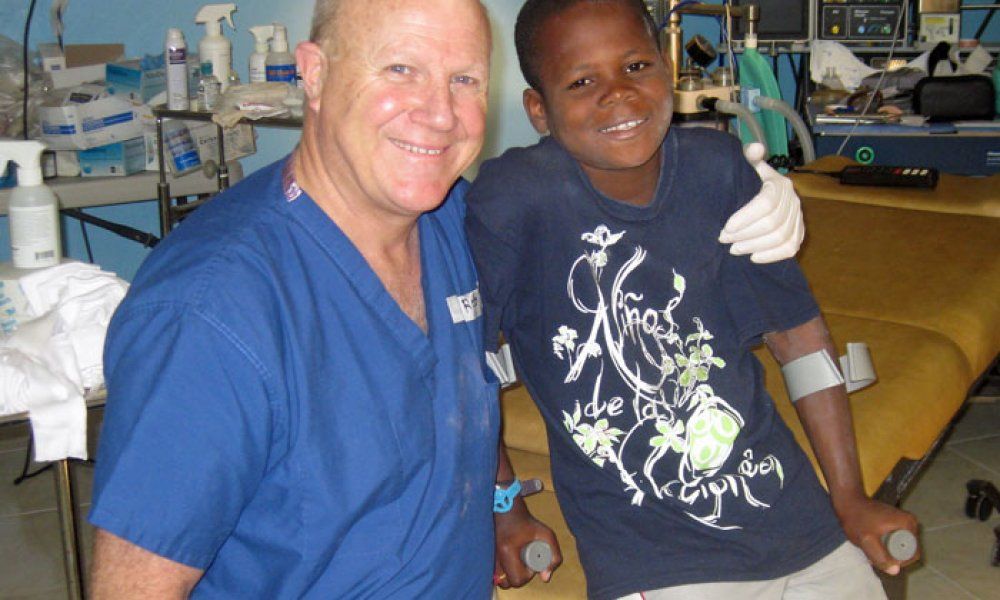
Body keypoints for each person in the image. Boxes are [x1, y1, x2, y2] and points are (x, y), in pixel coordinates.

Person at [87, 0, 806, 597]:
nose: (438, 113)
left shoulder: (450, 225)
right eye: (401, 70)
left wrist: (761, 191)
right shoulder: (213, 315)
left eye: (463, 80)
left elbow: (599, 202)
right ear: (313, 74)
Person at [465, 1, 919, 599]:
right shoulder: (517, 198)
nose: (619, 94)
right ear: (538, 109)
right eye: (581, 81)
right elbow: (463, 364)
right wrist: (504, 506)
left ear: (668, 68)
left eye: (635, 65)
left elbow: (797, 334)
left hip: (792, 515)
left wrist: (849, 495)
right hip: (655, 555)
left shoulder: (718, 168)